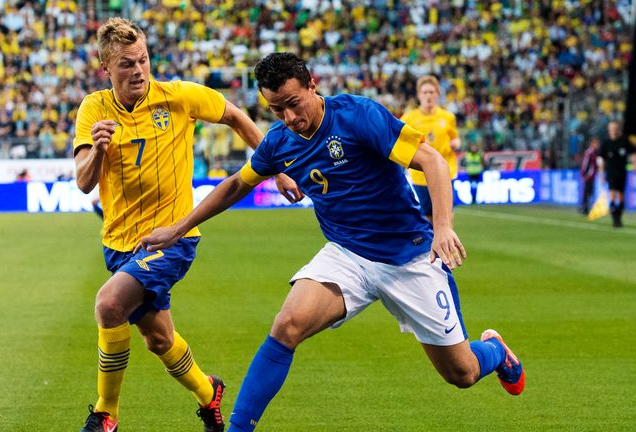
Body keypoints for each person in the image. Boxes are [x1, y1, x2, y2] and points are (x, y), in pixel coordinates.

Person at [136, 53, 525, 432]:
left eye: (293, 104)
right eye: (276, 110)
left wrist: (442, 228)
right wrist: (178, 228)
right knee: (287, 325)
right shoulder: (279, 142)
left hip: (408, 257)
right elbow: (237, 184)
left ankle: (495, 351)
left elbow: (435, 163)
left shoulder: (357, 116)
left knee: (462, 372)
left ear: (312, 85)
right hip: (347, 255)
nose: (289, 118)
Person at [73, 18, 300, 432]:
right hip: (120, 242)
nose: (139, 70)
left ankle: (106, 414)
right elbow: (85, 182)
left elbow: (236, 117)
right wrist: (99, 151)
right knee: (158, 340)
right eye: (126, 64)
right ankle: (207, 392)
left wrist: (278, 168)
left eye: (143, 60)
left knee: (109, 305)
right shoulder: (93, 109)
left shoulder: (178, 97)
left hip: (172, 238)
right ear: (106, 66)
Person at [400, 75, 461, 221]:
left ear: (437, 94)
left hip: (446, 172)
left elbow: (455, 138)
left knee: (446, 215)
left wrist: (456, 143)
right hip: (420, 175)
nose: (428, 95)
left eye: (431, 92)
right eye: (425, 92)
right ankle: (432, 244)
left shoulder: (447, 117)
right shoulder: (409, 118)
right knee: (427, 216)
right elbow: (400, 142)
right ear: (419, 95)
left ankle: (447, 244)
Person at [598, 120, 635, 227]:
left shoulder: (624, 141)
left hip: (622, 171)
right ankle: (615, 219)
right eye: (612, 128)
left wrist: (635, 163)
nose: (613, 131)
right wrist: (601, 173)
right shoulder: (605, 143)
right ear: (609, 130)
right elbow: (601, 159)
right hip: (610, 172)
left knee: (621, 195)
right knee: (613, 193)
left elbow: (633, 153)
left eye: (615, 128)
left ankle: (619, 216)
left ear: (618, 129)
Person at [579, 137, 600, 215]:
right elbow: (585, 163)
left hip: (592, 175)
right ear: (592, 143)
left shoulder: (594, 152)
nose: (598, 145)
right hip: (588, 175)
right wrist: (584, 174)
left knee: (589, 192)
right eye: (596, 143)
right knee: (587, 191)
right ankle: (584, 207)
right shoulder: (589, 152)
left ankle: (585, 207)